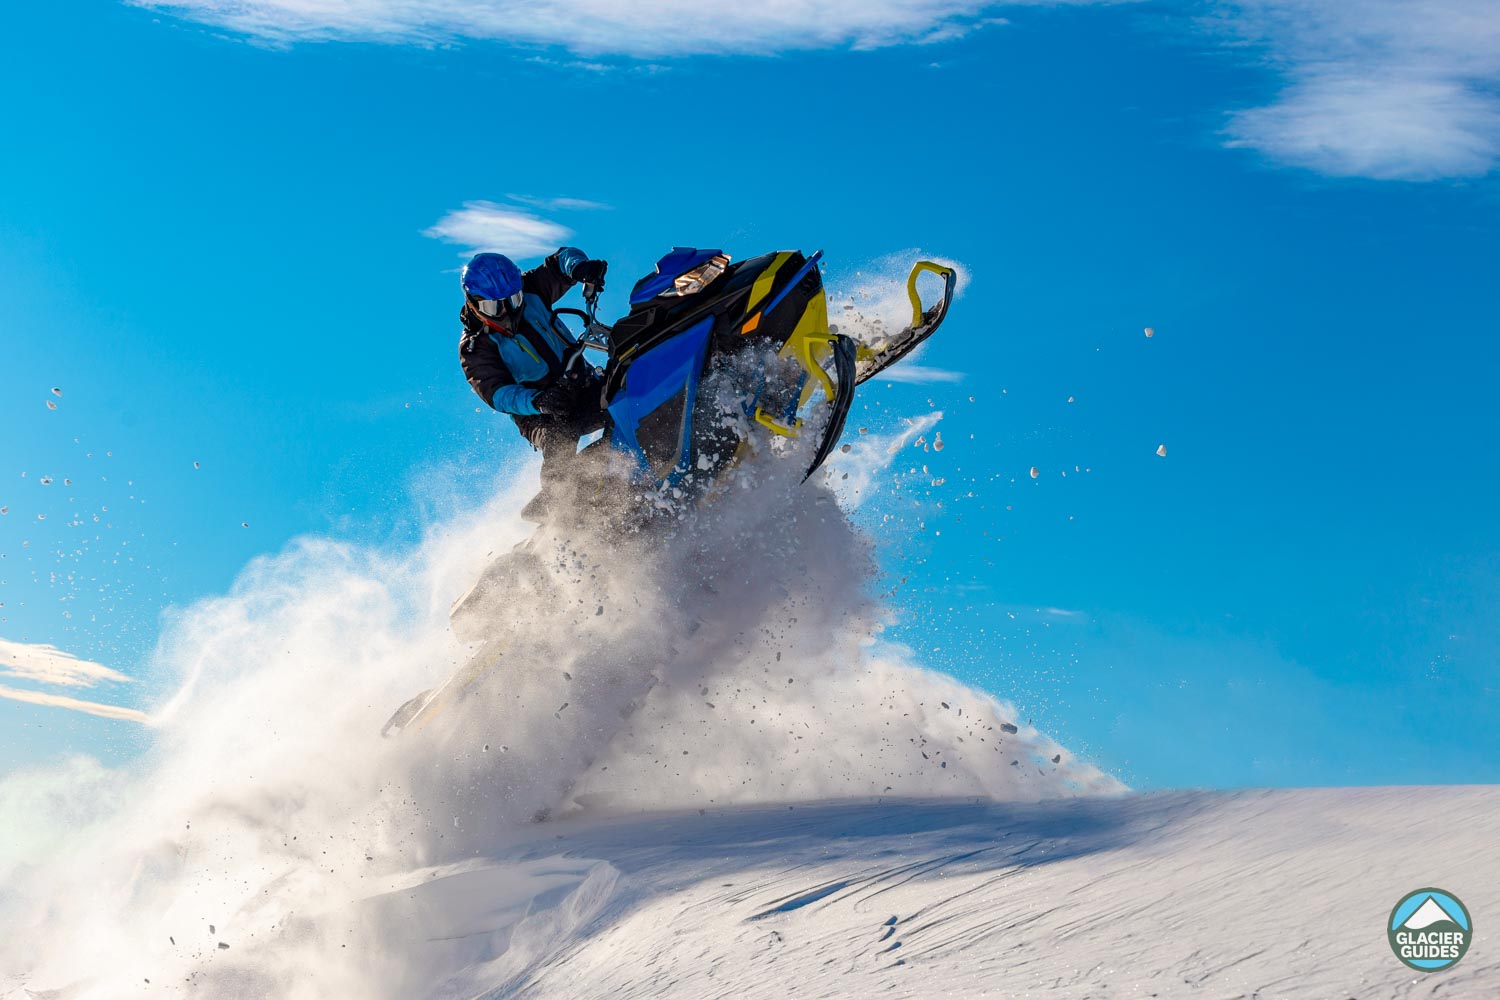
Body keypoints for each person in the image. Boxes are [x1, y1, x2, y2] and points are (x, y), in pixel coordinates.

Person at [458, 247, 610, 518]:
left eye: (513, 300)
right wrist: (537, 401)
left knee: (624, 390)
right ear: (473, 303)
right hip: (539, 413)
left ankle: (644, 451)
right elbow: (496, 393)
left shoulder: (531, 291)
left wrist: (579, 269)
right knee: (558, 442)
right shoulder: (475, 347)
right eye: (493, 307)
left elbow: (560, 260)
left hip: (582, 382)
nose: (506, 312)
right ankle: (560, 518)